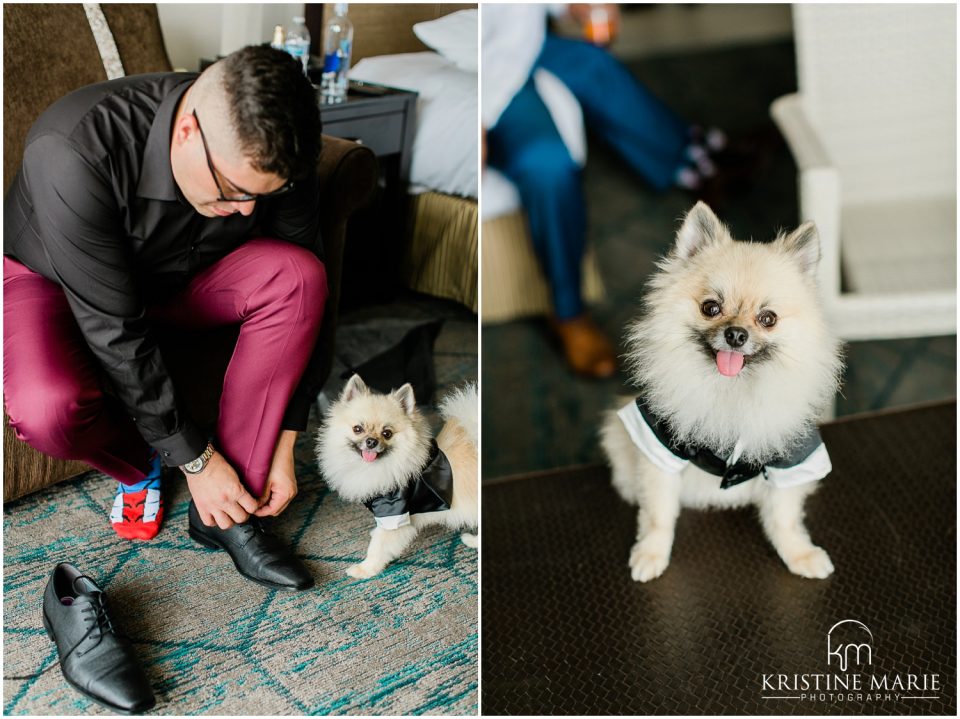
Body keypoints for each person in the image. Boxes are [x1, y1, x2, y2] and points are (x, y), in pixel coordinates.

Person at [4, 46, 327, 591]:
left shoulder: (280, 154)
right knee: (45, 408)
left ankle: (227, 513)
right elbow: (115, 329)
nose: (249, 211)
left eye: (263, 196)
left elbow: (313, 274)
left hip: (183, 276)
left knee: (300, 275)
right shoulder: (72, 150)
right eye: (236, 192)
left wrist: (287, 433)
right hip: (56, 280)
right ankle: (145, 464)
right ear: (186, 136)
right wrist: (195, 459)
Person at [482, 4, 727, 378]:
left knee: (594, 65)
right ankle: (568, 312)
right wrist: (480, 117)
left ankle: (695, 158)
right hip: (481, 57)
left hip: (518, 42)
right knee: (548, 163)